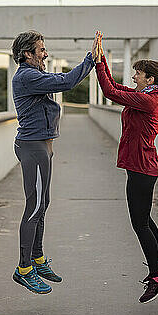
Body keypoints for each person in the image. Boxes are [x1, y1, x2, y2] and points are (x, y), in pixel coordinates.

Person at [10, 30, 100, 294]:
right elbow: (67, 81)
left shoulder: (34, 75)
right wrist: (90, 60)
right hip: (33, 148)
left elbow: (60, 80)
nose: (45, 53)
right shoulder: (27, 76)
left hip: (41, 148)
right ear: (27, 54)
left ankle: (37, 260)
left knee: (43, 203)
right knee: (35, 206)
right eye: (41, 50)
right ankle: (24, 269)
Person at [94, 32, 158, 303]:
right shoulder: (145, 95)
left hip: (142, 169)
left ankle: (157, 278)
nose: (134, 78)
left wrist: (96, 62)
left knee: (139, 222)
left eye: (138, 74)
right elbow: (116, 86)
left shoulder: (147, 100)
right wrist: (101, 58)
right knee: (145, 219)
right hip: (142, 167)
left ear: (150, 79)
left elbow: (108, 92)